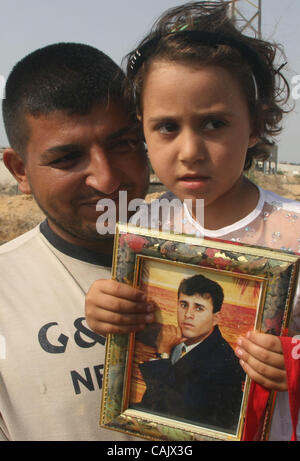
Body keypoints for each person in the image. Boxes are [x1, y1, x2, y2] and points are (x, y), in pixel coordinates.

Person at [85, 2, 300, 441]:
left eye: (214, 123)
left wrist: (291, 362)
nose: (190, 151)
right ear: (141, 130)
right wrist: (105, 310)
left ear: (256, 125)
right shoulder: (144, 227)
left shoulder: (291, 229)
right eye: (166, 127)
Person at [0, 42, 152, 441]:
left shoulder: (223, 252)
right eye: (67, 158)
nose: (105, 180)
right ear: (20, 170)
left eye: (123, 144)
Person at [135, 274, 245, 433]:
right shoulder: (179, 343)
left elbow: (170, 412)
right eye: (183, 304)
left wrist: (163, 354)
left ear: (216, 318)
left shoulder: (223, 361)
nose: (188, 314)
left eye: (199, 308)